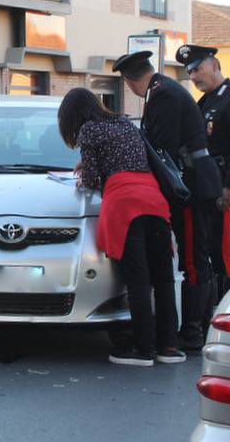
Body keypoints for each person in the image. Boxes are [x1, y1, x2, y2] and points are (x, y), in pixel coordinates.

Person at [58, 88, 184, 367]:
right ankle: (169, 347)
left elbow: (91, 179)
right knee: (162, 279)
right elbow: (128, 159)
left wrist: (83, 179)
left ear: (72, 115)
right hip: (154, 200)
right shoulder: (126, 124)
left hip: (126, 206)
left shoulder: (89, 130)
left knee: (137, 280)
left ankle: (142, 349)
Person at [113, 50, 218, 352]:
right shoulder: (164, 89)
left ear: (129, 82)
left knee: (194, 261)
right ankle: (196, 327)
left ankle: (193, 331)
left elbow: (162, 148)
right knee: (195, 257)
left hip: (190, 182)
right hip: (193, 178)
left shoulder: (162, 95)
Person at [177, 45, 230, 302]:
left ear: (214, 65)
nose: (194, 77)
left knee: (220, 251)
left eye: (198, 69)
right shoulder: (206, 101)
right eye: (190, 73)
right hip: (204, 185)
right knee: (205, 250)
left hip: (223, 185)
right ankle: (209, 311)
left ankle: (229, 308)